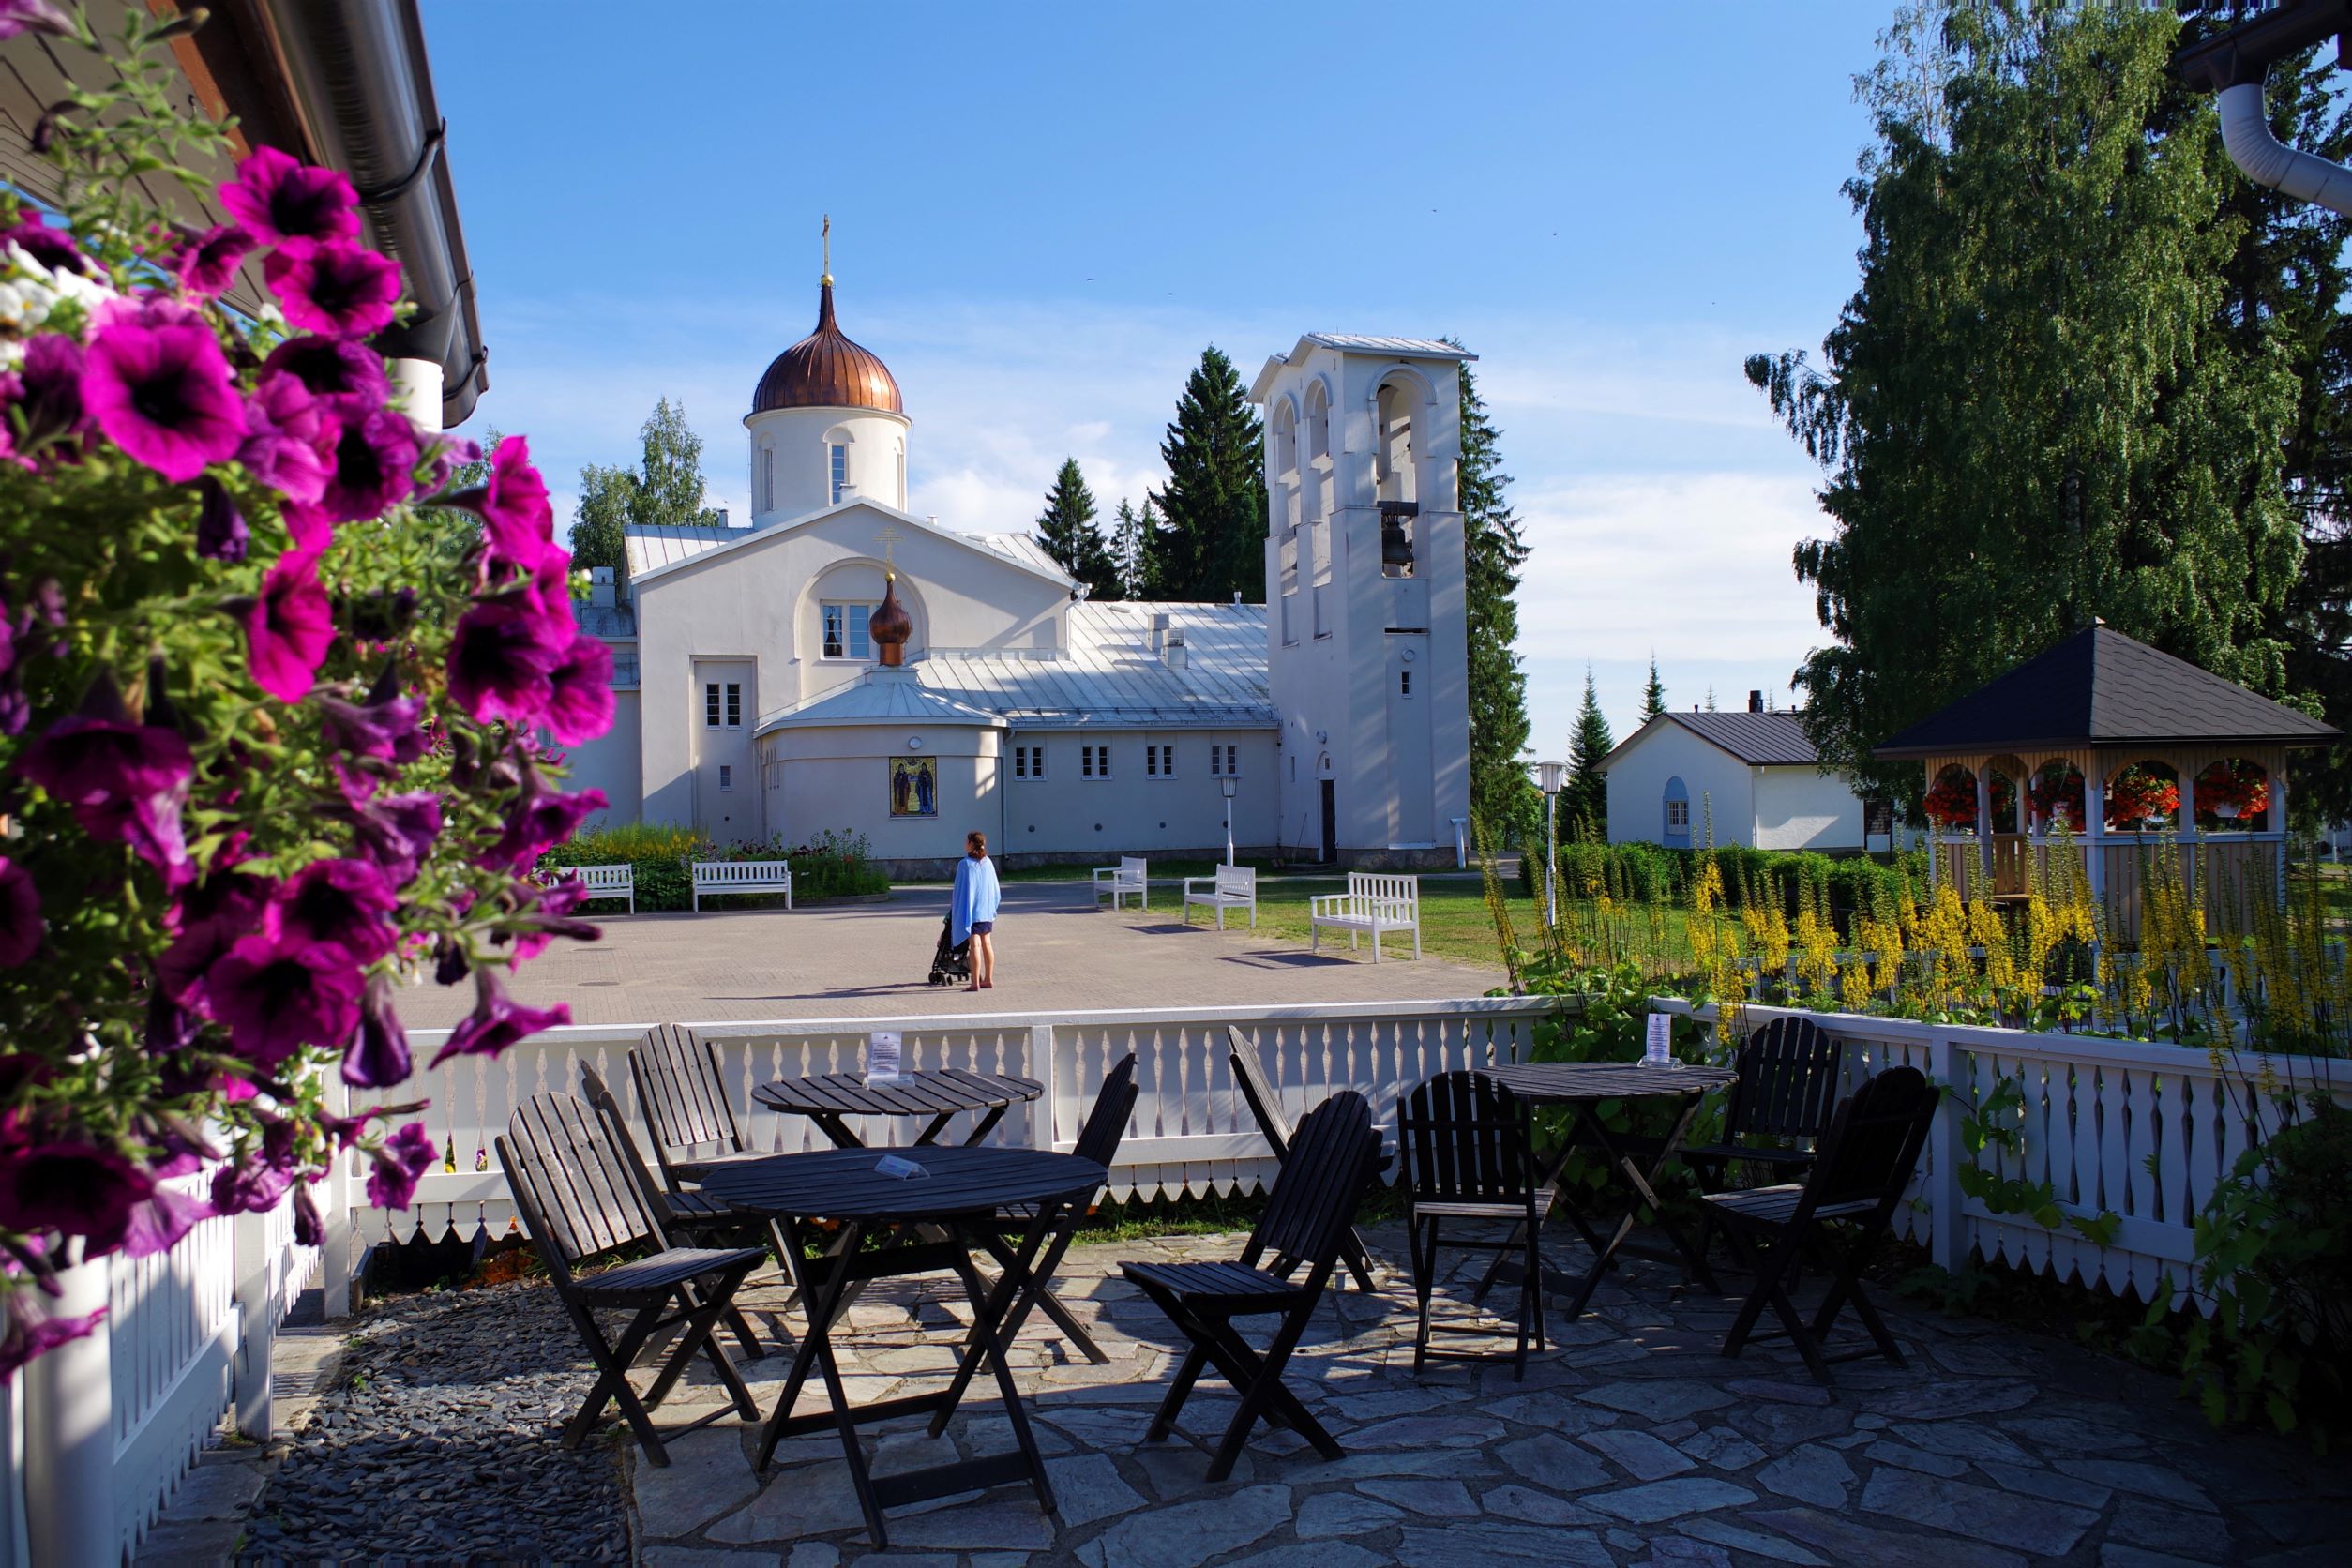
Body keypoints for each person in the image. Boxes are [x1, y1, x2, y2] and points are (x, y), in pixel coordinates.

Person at [950, 830, 1001, 991]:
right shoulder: (988, 862)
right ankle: (988, 979)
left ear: (971, 844)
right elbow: (994, 888)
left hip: (971, 912)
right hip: (986, 910)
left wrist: (956, 909)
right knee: (987, 944)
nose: (965, 844)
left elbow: (959, 890)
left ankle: (975, 982)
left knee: (975, 945)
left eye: (967, 841)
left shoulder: (964, 864)